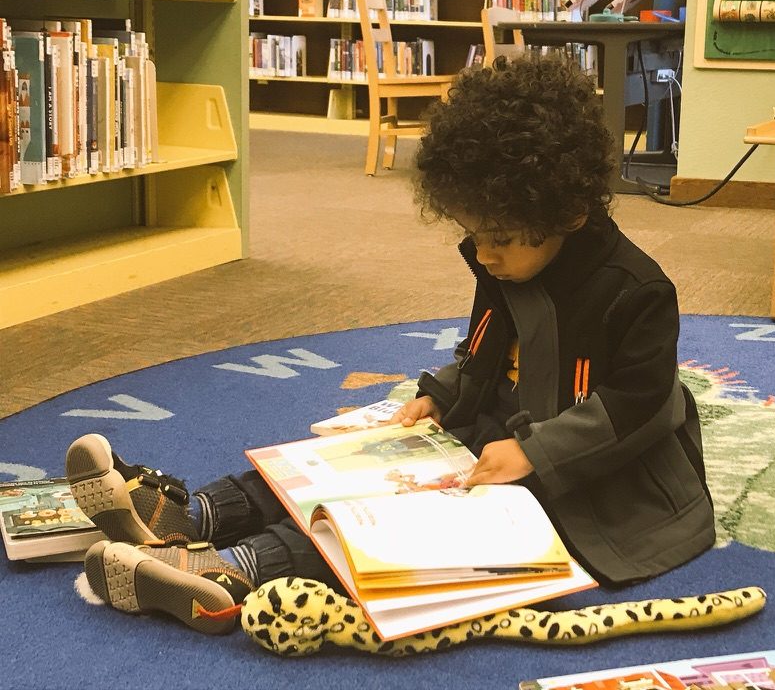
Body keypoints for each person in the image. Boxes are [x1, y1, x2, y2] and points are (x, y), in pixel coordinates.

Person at [65, 55, 714, 636]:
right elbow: (486, 354)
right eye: (473, 233)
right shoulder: (509, 257)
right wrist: (441, 395)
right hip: (500, 433)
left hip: (603, 478)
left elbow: (638, 403)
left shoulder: (636, 291)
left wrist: (536, 453)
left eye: (500, 238)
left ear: (567, 214)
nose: (484, 255)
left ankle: (228, 571)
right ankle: (190, 514)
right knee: (348, 461)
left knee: (409, 520)